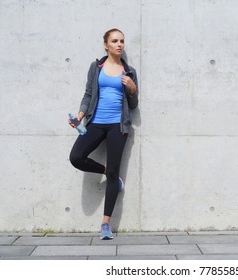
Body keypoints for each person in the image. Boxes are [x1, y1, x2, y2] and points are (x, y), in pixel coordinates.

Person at [69, 28, 138, 240]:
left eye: (122, 41)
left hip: (119, 126)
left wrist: (133, 88)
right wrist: (80, 116)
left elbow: (133, 105)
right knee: (76, 157)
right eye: (115, 41)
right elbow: (89, 93)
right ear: (106, 45)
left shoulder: (129, 72)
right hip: (95, 123)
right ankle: (109, 172)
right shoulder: (96, 67)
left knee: (114, 172)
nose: (119, 44)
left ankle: (105, 224)